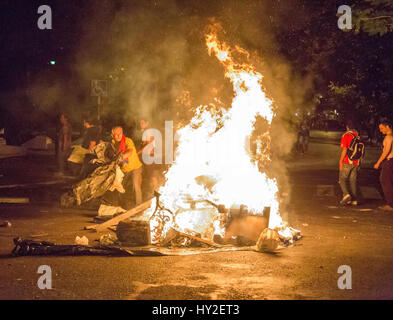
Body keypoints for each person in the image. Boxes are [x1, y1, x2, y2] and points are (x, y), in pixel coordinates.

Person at [111, 126, 142, 206]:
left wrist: (120, 158)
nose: (118, 136)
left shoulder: (127, 141)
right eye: (116, 134)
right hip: (124, 169)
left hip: (135, 167)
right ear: (112, 135)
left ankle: (139, 207)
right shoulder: (112, 143)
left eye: (120, 134)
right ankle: (121, 206)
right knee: (119, 187)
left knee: (136, 186)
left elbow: (130, 151)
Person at [339, 119, 361, 205]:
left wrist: (340, 161)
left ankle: (347, 195)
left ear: (347, 126)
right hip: (356, 161)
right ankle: (354, 200)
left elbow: (345, 150)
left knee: (342, 179)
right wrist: (360, 163)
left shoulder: (346, 135)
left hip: (347, 161)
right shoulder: (358, 135)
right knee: (353, 181)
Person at [374, 120, 393, 211]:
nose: (381, 131)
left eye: (382, 128)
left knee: (385, 181)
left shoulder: (388, 137)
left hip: (389, 161)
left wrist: (378, 162)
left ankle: (391, 204)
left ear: (387, 127)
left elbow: (386, 152)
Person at [138, 119, 160, 195]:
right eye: (140, 122)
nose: (141, 124)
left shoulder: (149, 132)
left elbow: (148, 145)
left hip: (149, 156)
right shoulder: (143, 132)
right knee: (141, 174)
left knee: (152, 175)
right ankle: (140, 194)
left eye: (143, 122)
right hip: (144, 156)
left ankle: (157, 192)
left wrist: (138, 152)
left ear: (147, 123)